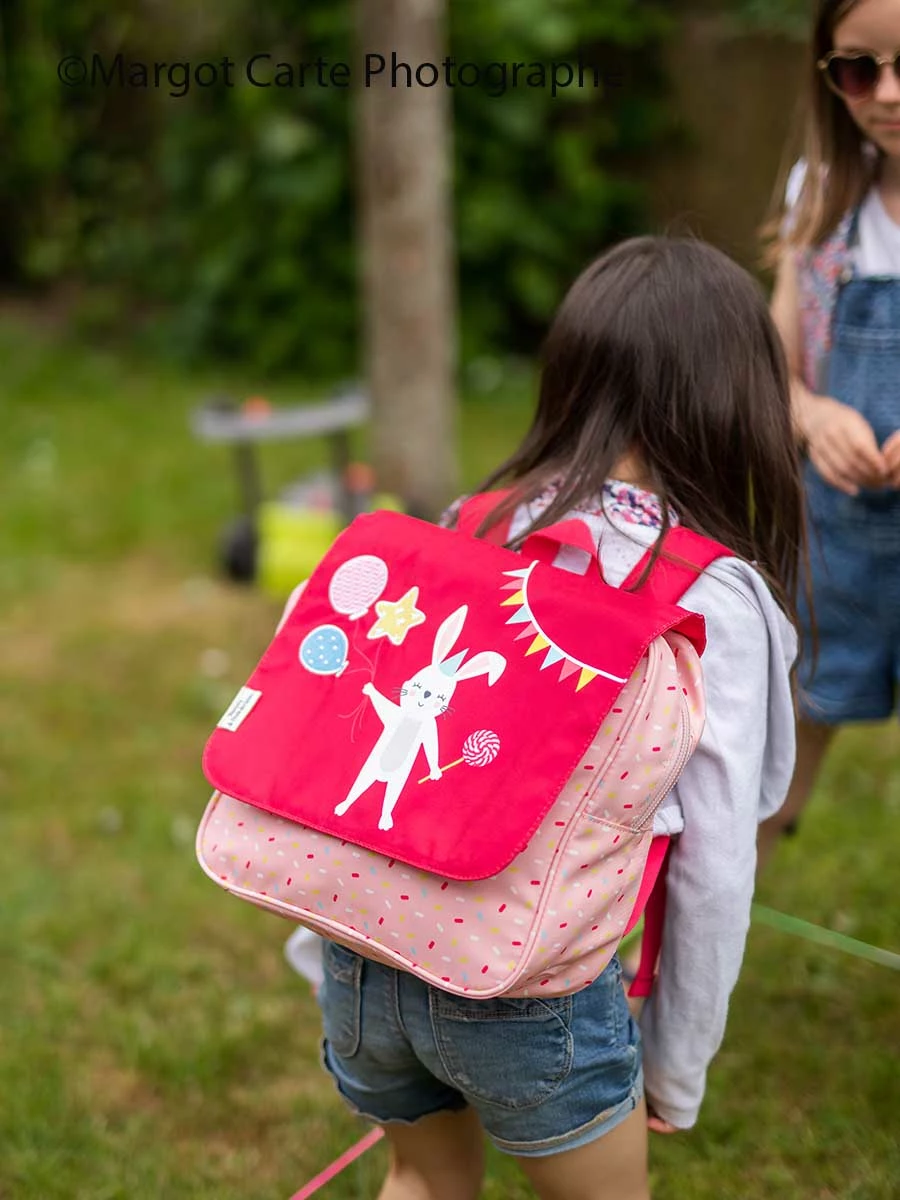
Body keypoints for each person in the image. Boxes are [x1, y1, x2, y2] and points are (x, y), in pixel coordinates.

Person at [307, 237, 802, 1200]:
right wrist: (678, 1063)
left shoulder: (471, 521)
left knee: (420, 1180)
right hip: (536, 993)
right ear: (737, 397)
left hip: (365, 959)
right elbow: (715, 866)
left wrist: (323, 938)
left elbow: (363, 782)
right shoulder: (711, 597)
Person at [758, 0, 900, 871]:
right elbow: (774, 371)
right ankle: (700, 932)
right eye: (858, 69)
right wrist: (809, 414)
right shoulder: (820, 196)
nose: (887, 94)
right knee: (777, 751)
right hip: (836, 546)